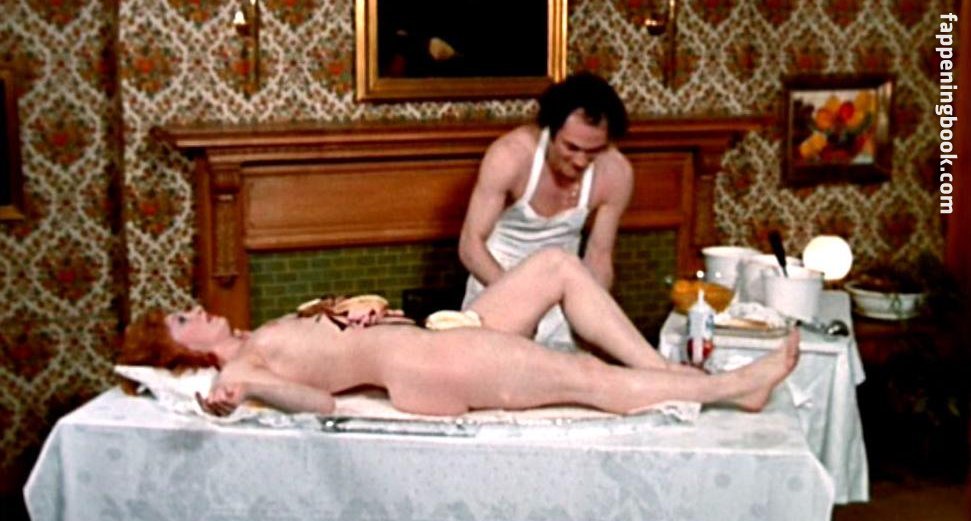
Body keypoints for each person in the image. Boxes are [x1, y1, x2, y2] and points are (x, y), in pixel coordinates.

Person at [120, 248, 800, 418]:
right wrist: (238, 394)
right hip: (428, 363)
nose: (195, 310)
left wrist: (354, 310)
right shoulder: (239, 369)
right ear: (181, 351)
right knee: (585, 377)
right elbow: (320, 402)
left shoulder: (255, 339)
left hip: (429, 333)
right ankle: (732, 388)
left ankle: (663, 370)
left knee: (556, 267)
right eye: (181, 319)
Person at [458, 72, 633, 351]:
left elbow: (599, 257)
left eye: (593, 151)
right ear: (550, 130)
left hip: (564, 292)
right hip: (497, 281)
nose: (580, 161)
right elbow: (470, 246)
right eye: (571, 147)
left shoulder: (616, 172)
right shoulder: (510, 156)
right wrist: (520, 301)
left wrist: (593, 321)